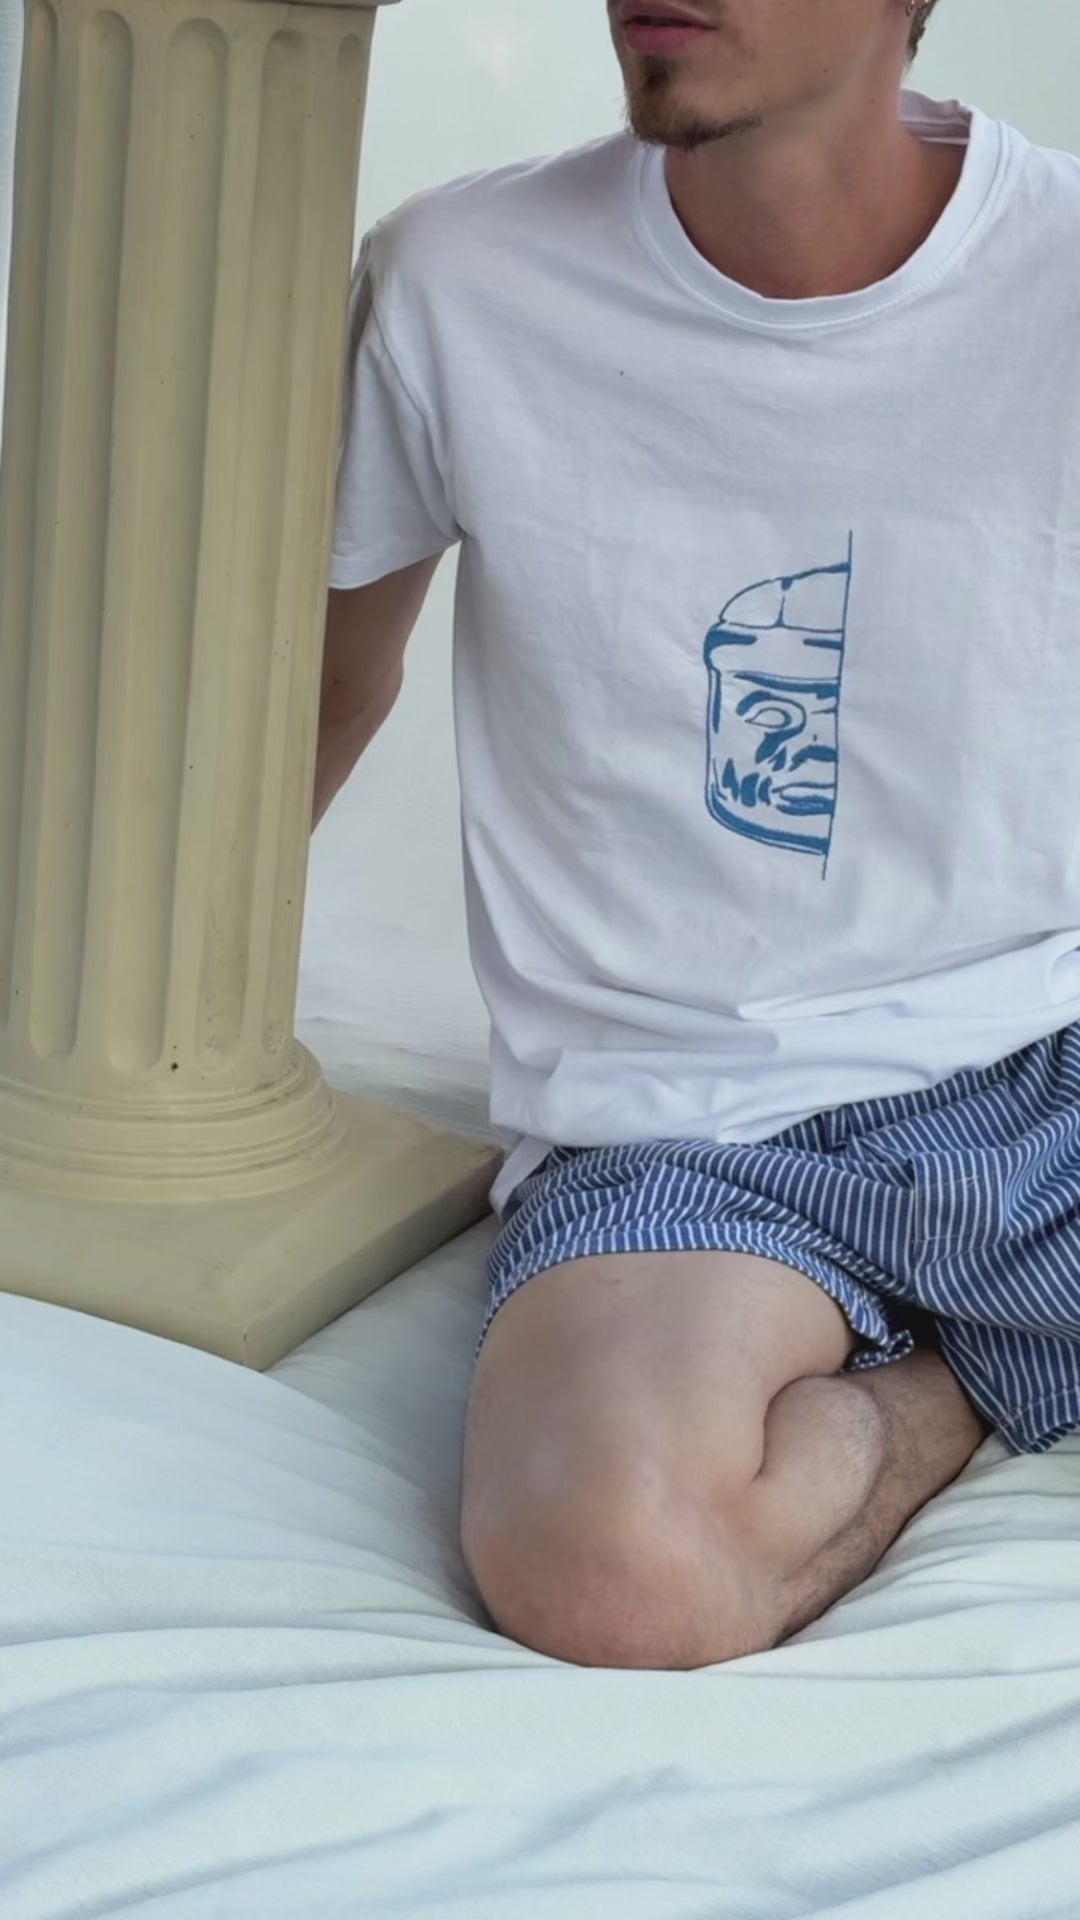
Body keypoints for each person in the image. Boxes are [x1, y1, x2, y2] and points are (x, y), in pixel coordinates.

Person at [314, 0, 1080, 1670]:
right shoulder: (464, 283)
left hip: (1054, 1064)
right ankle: (979, 1372)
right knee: (613, 1567)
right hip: (694, 1125)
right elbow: (315, 703)